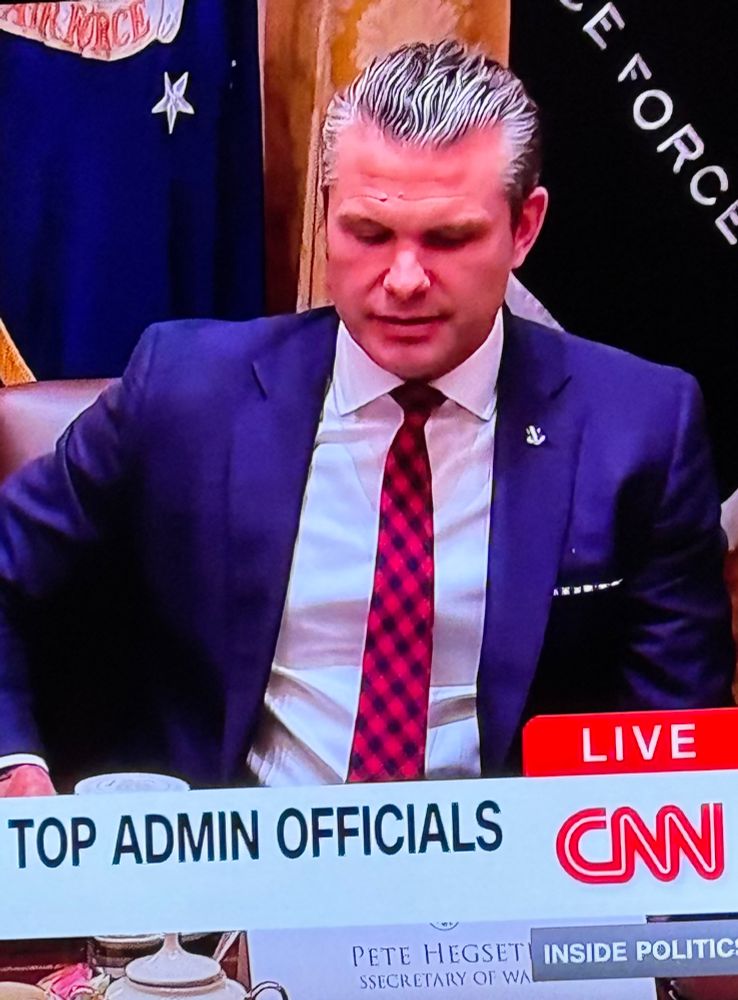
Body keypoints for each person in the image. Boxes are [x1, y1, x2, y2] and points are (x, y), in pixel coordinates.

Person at [0, 40, 733, 796]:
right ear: (326, 218)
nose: (404, 280)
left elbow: (680, 756)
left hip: (510, 863)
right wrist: (13, 764)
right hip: (237, 854)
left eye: (449, 238)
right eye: (370, 234)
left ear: (524, 228)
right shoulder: (186, 391)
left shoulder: (641, 429)